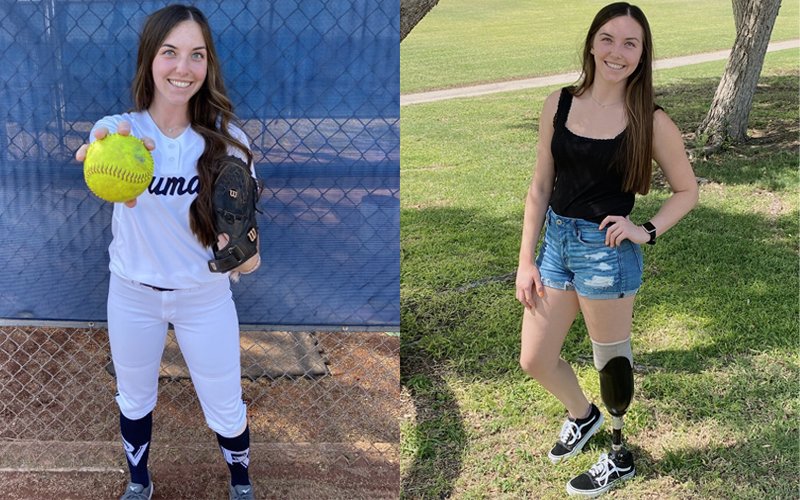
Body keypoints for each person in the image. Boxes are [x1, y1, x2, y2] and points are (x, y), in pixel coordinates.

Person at [74, 5, 260, 500]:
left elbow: (250, 255)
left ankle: (241, 484)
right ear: (149, 61)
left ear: (208, 64)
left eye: (196, 55)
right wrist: (98, 144)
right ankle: (140, 483)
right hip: (133, 294)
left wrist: (240, 248)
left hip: (204, 295)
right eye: (170, 53)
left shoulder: (227, 141)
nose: (183, 68)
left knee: (224, 403)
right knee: (135, 399)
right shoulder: (125, 130)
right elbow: (100, 135)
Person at [515, 2, 698, 497]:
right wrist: (526, 258)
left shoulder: (651, 120)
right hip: (556, 244)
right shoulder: (559, 103)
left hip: (606, 253)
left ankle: (619, 456)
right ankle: (583, 416)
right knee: (535, 357)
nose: (617, 52)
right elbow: (539, 185)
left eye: (630, 43)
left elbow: (687, 191)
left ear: (642, 55)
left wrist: (647, 229)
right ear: (592, 42)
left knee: (610, 362)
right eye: (608, 39)